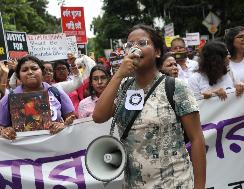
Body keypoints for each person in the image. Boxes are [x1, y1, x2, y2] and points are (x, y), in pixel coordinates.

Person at [93, 24, 206, 189]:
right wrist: (118, 75)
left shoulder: (176, 87)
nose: (135, 48)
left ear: (158, 52)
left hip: (175, 183)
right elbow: (98, 116)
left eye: (142, 43)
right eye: (129, 45)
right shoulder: (123, 87)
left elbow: (196, 139)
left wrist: (200, 186)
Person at [0, 55, 76, 140]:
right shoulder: (9, 98)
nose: (30, 72)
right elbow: (1, 127)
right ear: (19, 76)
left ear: (42, 72)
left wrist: (63, 125)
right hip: (22, 150)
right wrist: (5, 131)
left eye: (34, 68)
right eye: (25, 70)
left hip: (56, 147)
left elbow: (73, 120)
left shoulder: (56, 93)